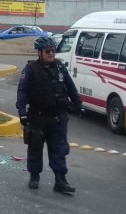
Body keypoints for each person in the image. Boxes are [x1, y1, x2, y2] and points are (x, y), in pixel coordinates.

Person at [16, 36, 82, 194]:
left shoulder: (59, 67)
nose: (51, 54)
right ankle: (34, 176)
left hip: (58, 118)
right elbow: (22, 92)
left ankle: (60, 180)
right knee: (35, 147)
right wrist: (22, 113)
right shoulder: (31, 70)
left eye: (53, 51)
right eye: (48, 51)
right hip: (37, 118)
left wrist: (78, 105)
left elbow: (70, 87)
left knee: (59, 149)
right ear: (39, 53)